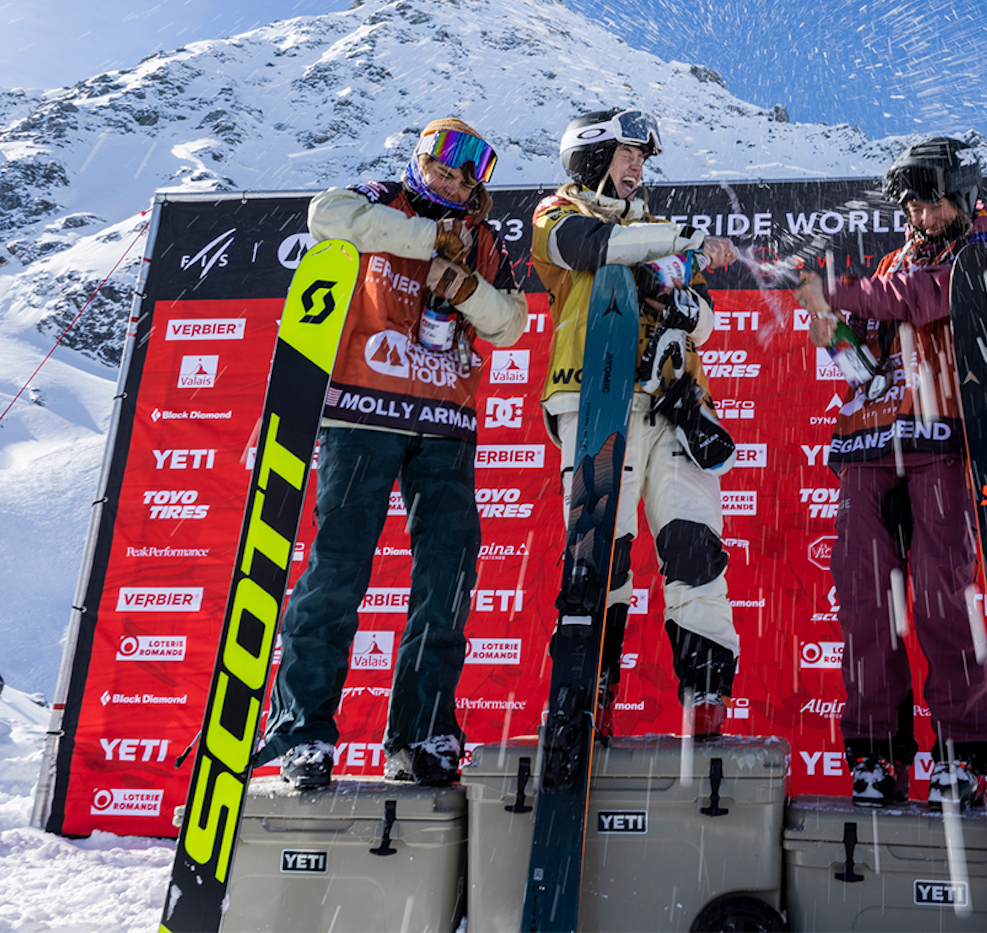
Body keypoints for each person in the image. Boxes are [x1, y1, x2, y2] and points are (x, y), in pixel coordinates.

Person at [256, 118, 527, 788]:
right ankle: (304, 734)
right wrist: (426, 239)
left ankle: (422, 730)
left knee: (447, 580)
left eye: (466, 176)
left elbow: (514, 322)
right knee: (336, 574)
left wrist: (463, 286)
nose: (452, 181)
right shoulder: (380, 198)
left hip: (445, 422)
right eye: (442, 167)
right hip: (362, 413)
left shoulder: (485, 239)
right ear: (420, 159)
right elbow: (325, 214)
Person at [794, 137, 987, 810]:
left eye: (937, 199)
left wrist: (842, 289)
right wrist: (828, 324)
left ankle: (963, 752)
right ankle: (875, 754)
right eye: (915, 203)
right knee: (864, 606)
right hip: (866, 444)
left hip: (944, 439)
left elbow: (923, 298)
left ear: (964, 195)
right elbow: (858, 361)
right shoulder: (891, 262)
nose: (926, 213)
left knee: (943, 598)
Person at [531, 107, 741, 740]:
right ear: (591, 156)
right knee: (604, 550)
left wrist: (678, 293)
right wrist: (673, 250)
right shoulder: (555, 213)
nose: (638, 168)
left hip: (676, 407)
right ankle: (588, 695)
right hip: (597, 400)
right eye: (628, 155)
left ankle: (707, 697)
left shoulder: (655, 226)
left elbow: (703, 318)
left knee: (694, 546)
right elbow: (592, 250)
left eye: (643, 160)